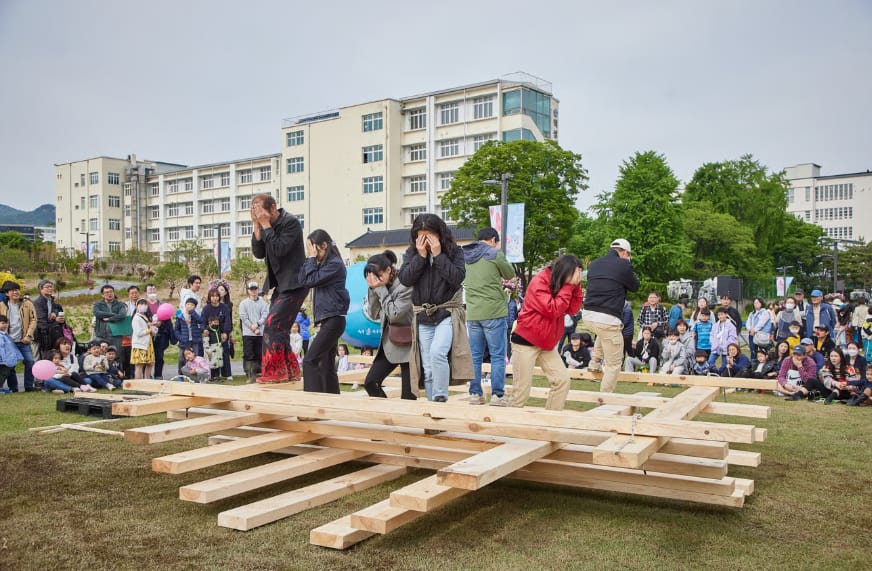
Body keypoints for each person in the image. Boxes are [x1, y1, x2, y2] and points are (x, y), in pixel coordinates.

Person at [398, 213, 470, 402]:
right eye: (420, 236)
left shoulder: (455, 252)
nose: (425, 241)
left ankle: (440, 396)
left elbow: (456, 278)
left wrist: (438, 255)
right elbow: (405, 279)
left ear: (439, 233)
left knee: (438, 352)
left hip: (446, 313)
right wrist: (421, 257)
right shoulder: (411, 253)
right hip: (423, 315)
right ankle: (432, 406)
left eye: (429, 236)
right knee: (428, 365)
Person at [510, 254, 583, 409]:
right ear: (565, 271)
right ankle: (508, 429)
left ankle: (550, 422)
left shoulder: (565, 285)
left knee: (562, 381)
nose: (577, 278)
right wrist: (569, 286)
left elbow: (572, 309)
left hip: (546, 343)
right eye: (576, 274)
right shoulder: (540, 281)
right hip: (526, 340)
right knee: (520, 391)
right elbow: (553, 309)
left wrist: (575, 288)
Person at [251, 193, 308, 383]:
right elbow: (259, 253)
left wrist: (266, 225)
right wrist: (257, 227)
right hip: (281, 285)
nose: (257, 212)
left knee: (272, 325)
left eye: (260, 208)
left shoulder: (290, 223)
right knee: (280, 328)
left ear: (273, 207)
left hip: (295, 283)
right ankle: (289, 370)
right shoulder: (267, 227)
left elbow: (279, 249)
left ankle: (275, 372)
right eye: (254, 209)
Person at [462, 227, 516, 406]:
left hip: (473, 312)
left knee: (475, 356)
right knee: (497, 355)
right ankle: (498, 395)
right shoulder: (494, 253)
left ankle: (475, 394)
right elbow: (509, 274)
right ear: (493, 239)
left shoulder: (465, 255)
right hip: (493, 311)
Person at [582, 238, 640, 392]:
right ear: (625, 252)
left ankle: (594, 363)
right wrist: (627, 264)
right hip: (608, 317)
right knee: (614, 363)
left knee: (603, 333)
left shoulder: (594, 263)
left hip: (588, 315)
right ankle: (604, 398)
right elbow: (635, 286)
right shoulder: (624, 264)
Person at [298, 229, 350, 394]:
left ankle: (313, 403)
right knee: (326, 364)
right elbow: (303, 280)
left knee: (309, 360)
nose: (310, 253)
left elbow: (311, 280)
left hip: (334, 319)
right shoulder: (325, 265)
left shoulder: (335, 264)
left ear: (324, 246)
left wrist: (312, 259)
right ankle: (332, 401)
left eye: (312, 249)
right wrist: (310, 259)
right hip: (329, 319)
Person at [362, 250, 416, 401]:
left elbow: (395, 315)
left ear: (388, 270)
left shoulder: (405, 285)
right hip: (389, 343)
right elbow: (373, 314)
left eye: (378, 275)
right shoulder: (379, 287)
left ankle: (408, 423)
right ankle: (389, 415)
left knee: (408, 395)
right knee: (370, 383)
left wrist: (379, 289)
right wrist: (373, 290)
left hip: (409, 344)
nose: (375, 279)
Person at [0, 281, 36, 391]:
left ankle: (29, 386)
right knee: (11, 365)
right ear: (7, 293)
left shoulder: (27, 304)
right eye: (13, 290)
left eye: (17, 290)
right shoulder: (2, 305)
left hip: (23, 340)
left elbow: (33, 320)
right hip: (8, 341)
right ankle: (13, 387)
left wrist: (28, 335)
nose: (16, 292)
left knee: (30, 361)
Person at [239, 282, 268, 383]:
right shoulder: (243, 303)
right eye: (251, 289)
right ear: (248, 290)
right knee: (249, 354)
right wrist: (252, 327)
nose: (253, 291)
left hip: (260, 332)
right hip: (248, 333)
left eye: (255, 289)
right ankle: (250, 375)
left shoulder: (263, 303)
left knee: (259, 353)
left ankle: (260, 373)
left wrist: (258, 324)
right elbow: (243, 316)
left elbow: (265, 315)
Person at [201, 288, 233, 380]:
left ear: (219, 297)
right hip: (211, 334)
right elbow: (203, 322)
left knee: (224, 352)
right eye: (212, 296)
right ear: (209, 298)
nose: (215, 298)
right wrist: (204, 330)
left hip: (222, 333)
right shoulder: (206, 308)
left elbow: (228, 321)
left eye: (216, 296)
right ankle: (213, 374)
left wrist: (225, 332)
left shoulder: (224, 307)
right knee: (212, 354)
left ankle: (227, 374)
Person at [33, 279, 66, 361]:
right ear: (41, 289)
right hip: (43, 335)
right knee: (43, 358)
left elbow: (56, 309)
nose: (50, 289)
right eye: (47, 287)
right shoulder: (38, 302)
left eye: (51, 287)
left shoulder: (51, 300)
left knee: (53, 358)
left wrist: (55, 314)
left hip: (52, 333)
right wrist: (55, 320)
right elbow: (41, 321)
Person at [92, 285, 128, 360]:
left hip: (116, 335)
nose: (109, 294)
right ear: (103, 294)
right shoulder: (98, 304)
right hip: (101, 336)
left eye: (111, 292)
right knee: (101, 357)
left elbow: (122, 315)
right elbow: (97, 313)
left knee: (117, 357)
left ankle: (117, 371)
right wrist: (113, 315)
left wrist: (109, 319)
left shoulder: (120, 304)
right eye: (107, 292)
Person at [174, 298, 204, 371]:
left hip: (194, 340)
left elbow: (200, 321)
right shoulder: (180, 316)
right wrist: (180, 338)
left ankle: (194, 375)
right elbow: (176, 329)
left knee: (195, 358)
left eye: (192, 305)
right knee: (181, 358)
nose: (189, 306)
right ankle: (181, 375)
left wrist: (193, 313)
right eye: (188, 304)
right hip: (184, 341)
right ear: (185, 305)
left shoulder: (195, 315)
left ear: (195, 307)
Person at [131, 298, 157, 379]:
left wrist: (153, 329)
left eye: (145, 304)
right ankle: (138, 383)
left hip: (147, 343)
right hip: (140, 344)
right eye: (141, 304)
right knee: (140, 365)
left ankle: (147, 380)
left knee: (150, 363)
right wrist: (149, 330)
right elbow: (138, 332)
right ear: (137, 306)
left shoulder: (146, 317)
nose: (143, 306)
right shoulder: (136, 318)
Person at [0, 315, 24, 391]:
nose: (5, 325)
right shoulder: (1, 336)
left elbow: (12, 348)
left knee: (8, 373)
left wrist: (18, 356)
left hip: (9, 360)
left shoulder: (6, 335)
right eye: (2, 323)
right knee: (3, 374)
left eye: (6, 323)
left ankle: (13, 387)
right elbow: (1, 348)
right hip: (4, 361)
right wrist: (3, 360)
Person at [203, 314, 224, 381]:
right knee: (211, 363)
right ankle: (211, 377)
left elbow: (221, 338)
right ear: (210, 322)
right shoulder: (207, 331)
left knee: (218, 362)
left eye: (217, 322)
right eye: (215, 322)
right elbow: (205, 341)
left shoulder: (218, 329)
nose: (216, 324)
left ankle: (217, 376)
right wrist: (207, 350)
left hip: (218, 348)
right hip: (211, 349)